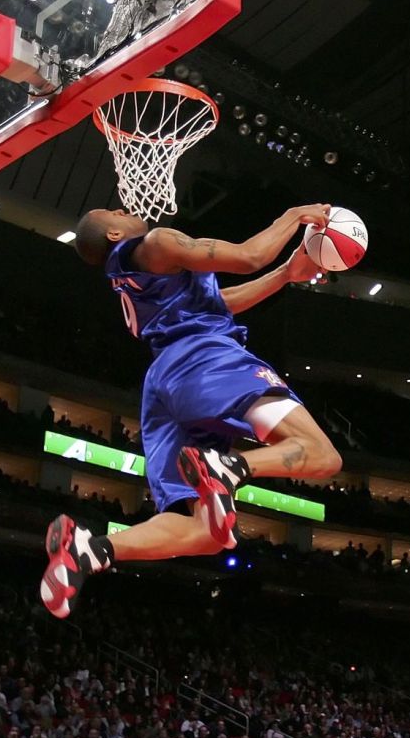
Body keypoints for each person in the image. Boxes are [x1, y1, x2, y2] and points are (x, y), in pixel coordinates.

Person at [40, 204, 341, 619]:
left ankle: (92, 550)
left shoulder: (131, 281)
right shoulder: (159, 242)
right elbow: (249, 255)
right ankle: (229, 468)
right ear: (112, 235)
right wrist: (292, 215)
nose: (122, 208)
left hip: (164, 385)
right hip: (205, 361)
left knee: (207, 535)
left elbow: (216, 305)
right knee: (322, 455)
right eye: (112, 211)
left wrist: (286, 275)